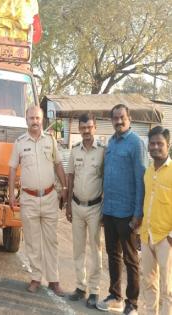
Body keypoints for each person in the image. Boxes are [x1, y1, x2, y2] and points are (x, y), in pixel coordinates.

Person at [8, 106, 67, 297]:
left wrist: (64, 188)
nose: (35, 121)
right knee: (32, 241)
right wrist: (11, 194)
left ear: (42, 120)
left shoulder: (50, 141)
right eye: (31, 118)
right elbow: (11, 169)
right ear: (26, 120)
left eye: (38, 118)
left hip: (49, 197)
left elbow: (58, 164)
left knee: (52, 241)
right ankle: (35, 278)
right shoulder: (19, 142)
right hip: (28, 198)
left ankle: (54, 280)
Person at [97, 104, 146, 315]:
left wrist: (138, 213)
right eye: (115, 118)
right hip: (109, 210)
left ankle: (132, 303)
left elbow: (140, 180)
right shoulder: (111, 142)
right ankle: (115, 296)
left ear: (129, 119)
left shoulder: (136, 143)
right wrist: (103, 209)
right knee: (113, 255)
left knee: (131, 259)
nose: (118, 121)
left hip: (127, 213)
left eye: (122, 118)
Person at [65, 113, 104, 308]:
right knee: (78, 249)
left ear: (95, 127)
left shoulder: (103, 152)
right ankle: (80, 287)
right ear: (79, 130)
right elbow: (70, 177)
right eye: (83, 128)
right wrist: (68, 205)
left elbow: (106, 179)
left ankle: (94, 290)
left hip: (95, 207)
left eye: (89, 127)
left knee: (95, 250)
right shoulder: (75, 151)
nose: (86, 131)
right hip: (77, 205)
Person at [140, 126, 172, 315]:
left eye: (160, 143)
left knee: (167, 287)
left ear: (168, 145)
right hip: (147, 235)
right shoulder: (148, 171)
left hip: (165, 239)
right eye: (152, 143)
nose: (155, 147)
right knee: (149, 282)